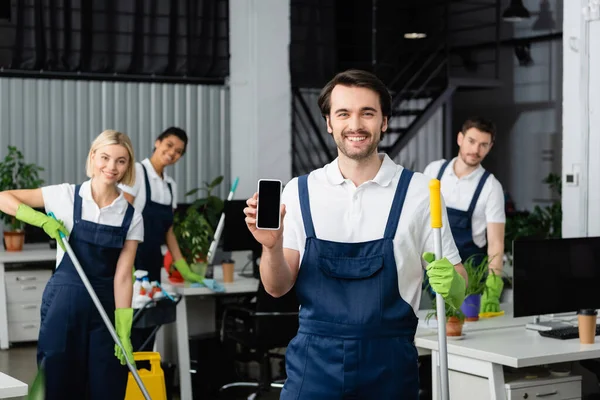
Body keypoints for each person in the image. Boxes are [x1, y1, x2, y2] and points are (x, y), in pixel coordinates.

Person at [243, 69, 468, 399]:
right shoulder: (299, 192)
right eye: (343, 113)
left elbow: (459, 290)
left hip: (390, 369)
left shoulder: (420, 191)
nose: (356, 125)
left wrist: (454, 283)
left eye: (368, 113)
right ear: (329, 123)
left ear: (384, 121)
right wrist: (272, 247)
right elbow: (276, 288)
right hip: (314, 368)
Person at [0, 130, 143, 399]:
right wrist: (41, 220)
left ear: (128, 166)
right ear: (93, 157)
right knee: (58, 383)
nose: (111, 167)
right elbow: (4, 197)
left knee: (107, 384)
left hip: (105, 310)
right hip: (63, 306)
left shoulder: (131, 216)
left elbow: (123, 276)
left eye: (121, 161)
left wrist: (123, 327)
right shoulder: (64, 195)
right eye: (105, 157)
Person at [120, 127, 203, 351]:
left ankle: (145, 377)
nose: (172, 153)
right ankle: (124, 378)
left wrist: (182, 266)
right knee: (131, 323)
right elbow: (122, 215)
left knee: (149, 321)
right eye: (169, 145)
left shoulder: (170, 186)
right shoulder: (137, 171)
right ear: (157, 142)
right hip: (132, 261)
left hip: (153, 261)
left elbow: (169, 231)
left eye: (178, 151)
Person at [423, 117, 505, 313]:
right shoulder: (434, 171)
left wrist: (493, 285)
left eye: (483, 145)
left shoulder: (491, 187)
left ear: (490, 147)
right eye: (471, 141)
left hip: (470, 275)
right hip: (435, 268)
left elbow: (495, 243)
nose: (476, 150)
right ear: (460, 138)